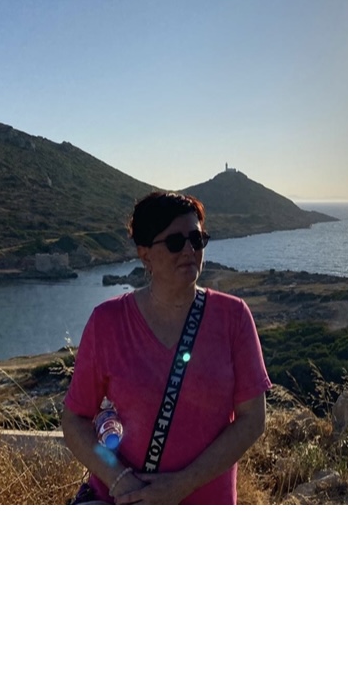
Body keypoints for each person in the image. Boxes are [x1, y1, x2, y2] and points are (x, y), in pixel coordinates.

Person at [61, 190, 270, 504]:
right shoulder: (107, 322)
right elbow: (75, 419)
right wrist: (119, 479)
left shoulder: (234, 316)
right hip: (125, 501)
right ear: (145, 254)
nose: (189, 250)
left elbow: (252, 419)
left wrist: (182, 485)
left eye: (196, 239)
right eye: (175, 242)